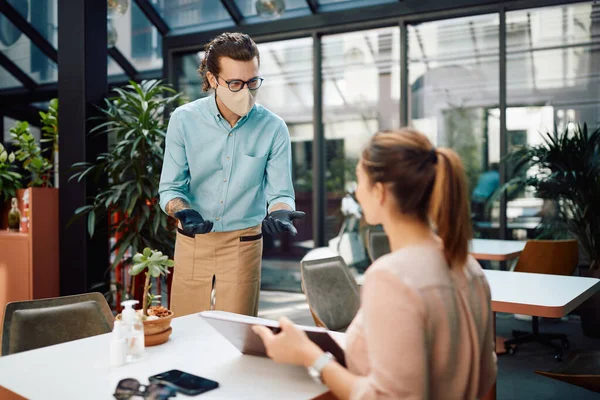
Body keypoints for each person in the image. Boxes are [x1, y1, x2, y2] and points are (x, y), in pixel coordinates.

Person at [254, 128, 497, 399]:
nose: (357, 192)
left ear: (379, 192)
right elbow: (488, 380)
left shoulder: (392, 278)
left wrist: (310, 356)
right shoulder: (470, 268)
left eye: (359, 181)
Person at [159, 32, 305, 318]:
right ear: (213, 80)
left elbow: (280, 193)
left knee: (237, 331)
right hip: (193, 239)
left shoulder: (273, 128)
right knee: (186, 328)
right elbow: (170, 189)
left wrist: (281, 212)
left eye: (253, 83)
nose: (245, 91)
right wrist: (183, 212)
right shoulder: (183, 120)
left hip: (243, 243)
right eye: (235, 83)